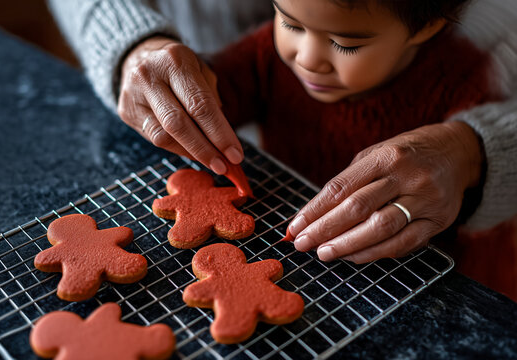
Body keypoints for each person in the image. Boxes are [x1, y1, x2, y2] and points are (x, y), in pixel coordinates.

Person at [49, 0, 517, 294]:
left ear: (425, 26)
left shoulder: (466, 81)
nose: (306, 57)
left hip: (416, 272)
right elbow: (209, 95)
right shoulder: (266, 54)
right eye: (289, 22)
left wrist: (473, 159)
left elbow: (488, 206)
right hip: (306, 262)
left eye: (344, 44)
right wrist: (172, 90)